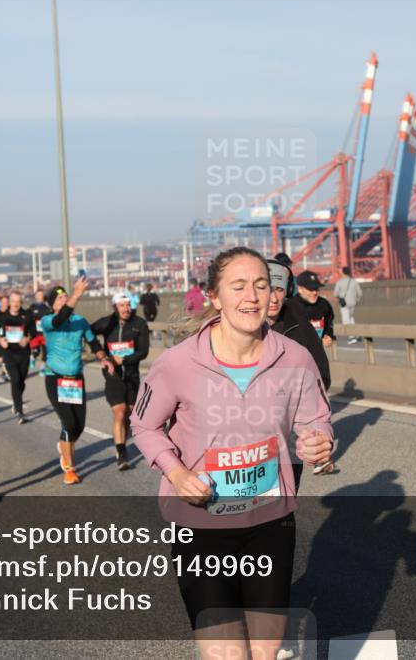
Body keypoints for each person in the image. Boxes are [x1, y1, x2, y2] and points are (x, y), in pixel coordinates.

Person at [131, 246, 333, 658]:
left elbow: (317, 420)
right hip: (200, 526)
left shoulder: (294, 358)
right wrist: (175, 472)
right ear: (214, 296)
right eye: (238, 286)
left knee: (264, 653)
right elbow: (144, 424)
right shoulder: (177, 363)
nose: (253, 297)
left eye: (262, 285)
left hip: (270, 525)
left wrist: (320, 441)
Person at [40, 278, 115, 485]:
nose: (64, 300)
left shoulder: (80, 321)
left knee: (79, 426)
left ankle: (64, 445)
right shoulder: (47, 322)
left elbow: (93, 342)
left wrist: (103, 358)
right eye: (60, 298)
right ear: (52, 304)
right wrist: (76, 295)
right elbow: (60, 318)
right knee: (69, 423)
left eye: (66, 296)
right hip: (55, 378)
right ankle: (70, 469)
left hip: (75, 380)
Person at [266, 256, 334, 483]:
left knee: (284, 500)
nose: (274, 298)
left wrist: (303, 413)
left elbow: (321, 375)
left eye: (279, 290)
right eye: (267, 289)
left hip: (288, 429)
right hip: (247, 434)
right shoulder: (234, 327)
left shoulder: (299, 325)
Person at [91, 292, 150, 470]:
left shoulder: (139, 324)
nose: (126, 309)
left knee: (129, 413)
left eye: (128, 305)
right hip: (112, 374)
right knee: (119, 411)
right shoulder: (107, 323)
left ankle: (122, 441)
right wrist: (101, 354)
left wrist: (124, 360)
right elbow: (88, 333)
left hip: (131, 374)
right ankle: (121, 453)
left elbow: (144, 351)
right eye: (121, 305)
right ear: (115, 307)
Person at [0, 290, 36, 424]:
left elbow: (33, 332)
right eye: (13, 301)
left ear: (21, 303)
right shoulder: (2, 316)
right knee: (15, 379)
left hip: (23, 353)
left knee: (21, 382)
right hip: (9, 353)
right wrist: (0, 341)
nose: (16, 304)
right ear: (9, 302)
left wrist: (27, 339)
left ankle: (16, 402)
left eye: (18, 302)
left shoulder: (27, 315)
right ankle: (20, 412)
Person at [293, 270, 336, 349]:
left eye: (316, 288)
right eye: (310, 289)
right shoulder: (290, 307)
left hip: (318, 353)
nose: (314, 292)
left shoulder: (324, 305)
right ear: (300, 289)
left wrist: (328, 335)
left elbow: (329, 323)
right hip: (297, 353)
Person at [333, 266, 363, 344]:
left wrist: (340, 296)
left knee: (346, 320)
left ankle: (351, 337)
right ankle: (356, 335)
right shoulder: (353, 281)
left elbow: (335, 293)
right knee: (351, 319)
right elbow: (360, 293)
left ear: (343, 272)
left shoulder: (340, 282)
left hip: (344, 304)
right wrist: (357, 300)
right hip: (353, 303)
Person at [28, 289, 52, 371]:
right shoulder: (32, 307)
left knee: (46, 352)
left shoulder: (47, 308)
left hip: (44, 334)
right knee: (36, 350)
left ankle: (42, 368)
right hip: (35, 333)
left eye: (41, 295)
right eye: (38, 295)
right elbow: (27, 319)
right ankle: (33, 357)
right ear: (35, 296)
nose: (40, 297)